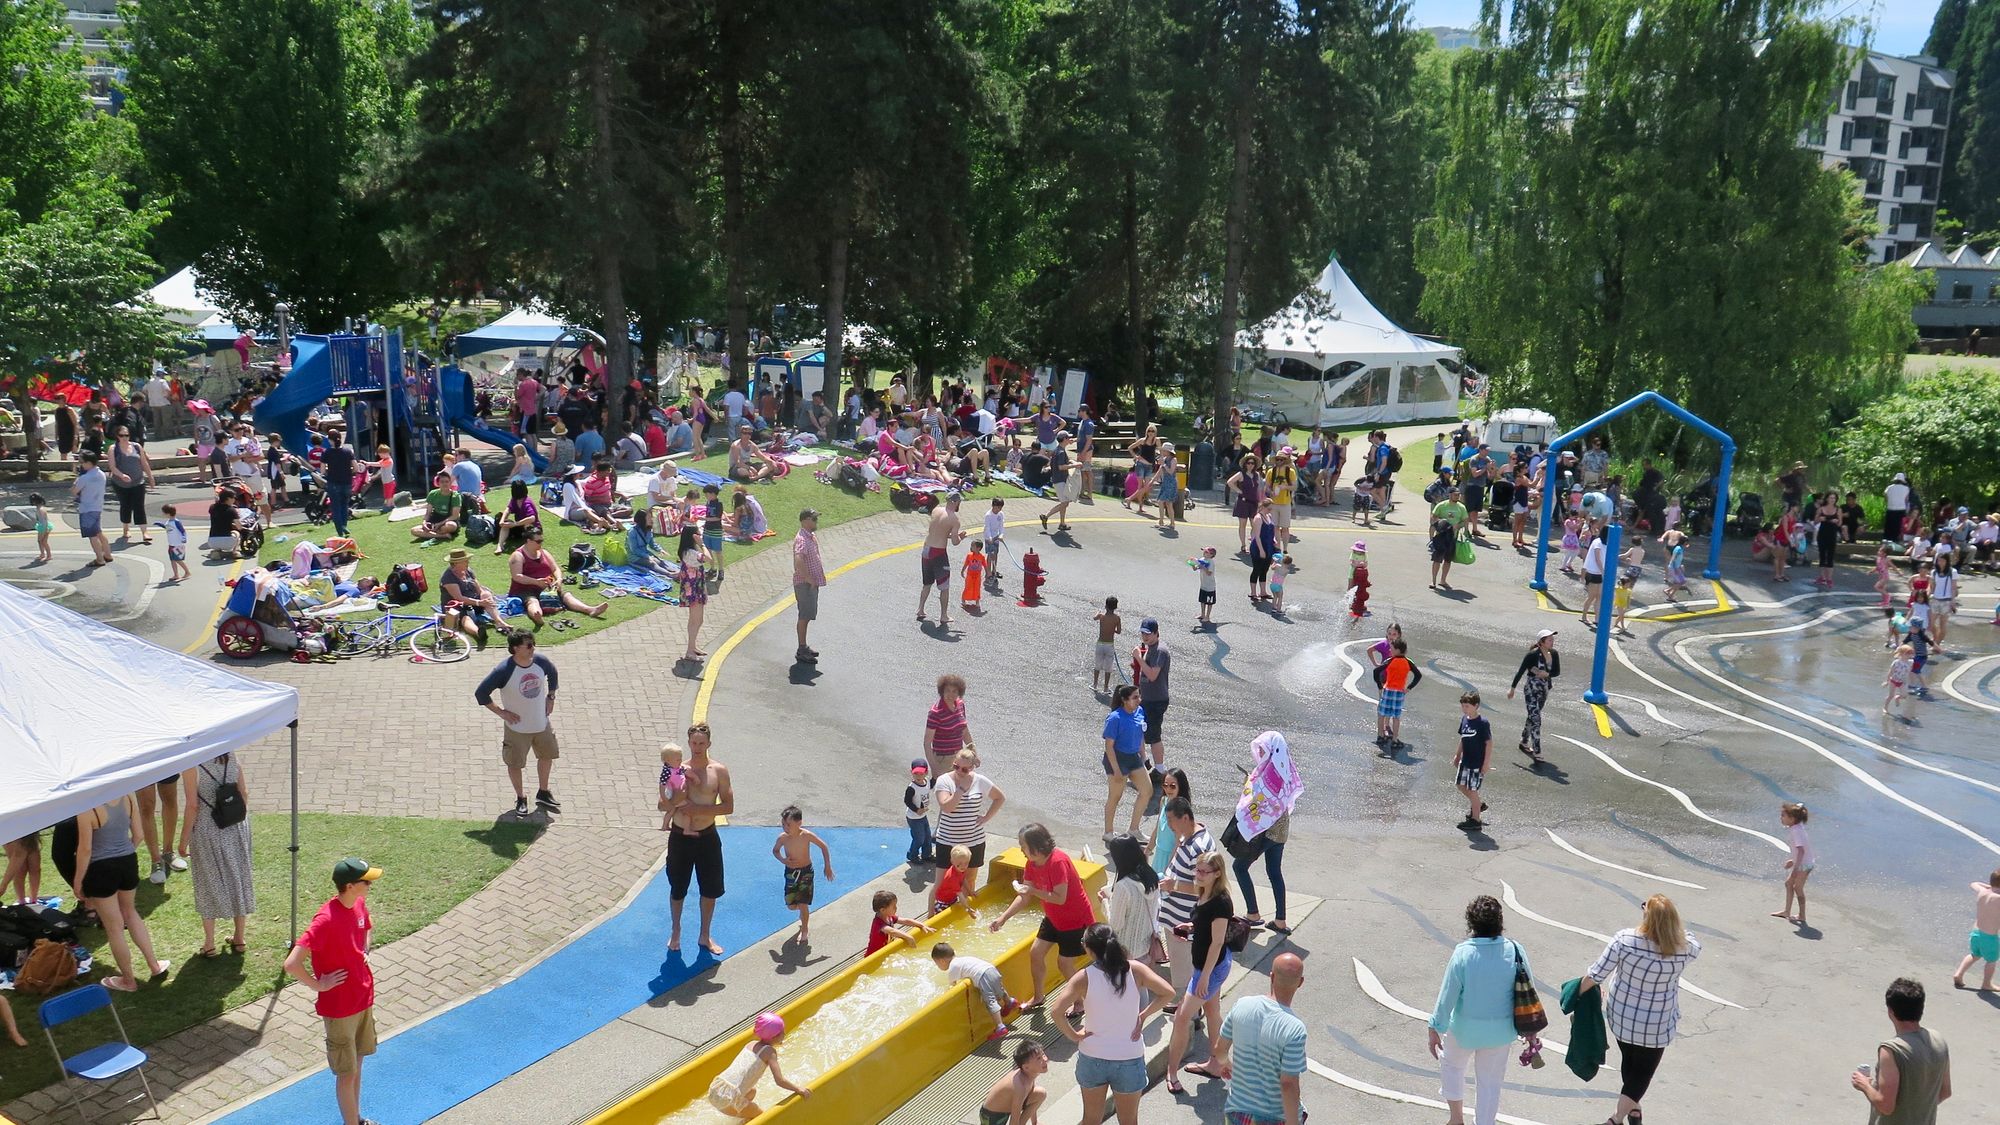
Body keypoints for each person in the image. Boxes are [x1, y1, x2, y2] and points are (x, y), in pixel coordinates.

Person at [1577, 894, 1701, 1125]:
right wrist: (1670, 925)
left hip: (1622, 1017)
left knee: (1630, 1063)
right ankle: (1618, 1118)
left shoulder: (1624, 940)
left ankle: (1627, 1113)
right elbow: (1692, 939)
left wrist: (1576, 997)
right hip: (1657, 1023)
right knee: (1642, 1073)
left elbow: (1595, 975)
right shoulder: (1684, 948)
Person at [285, 858, 380, 1125]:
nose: (370, 885)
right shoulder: (325, 920)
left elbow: (366, 928)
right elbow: (292, 963)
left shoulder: (358, 904)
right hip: (340, 1009)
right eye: (366, 881)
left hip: (362, 998)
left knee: (357, 1066)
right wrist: (319, 985)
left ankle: (356, 1119)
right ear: (350, 886)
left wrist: (364, 949)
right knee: (346, 1074)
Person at [1050, 924, 1175, 1125]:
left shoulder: (1084, 977)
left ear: (1089, 949)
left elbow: (1056, 1012)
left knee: (1090, 1119)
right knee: (1128, 1121)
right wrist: (1143, 1016)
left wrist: (1074, 1036)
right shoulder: (1135, 970)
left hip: (1092, 1056)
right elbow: (1168, 993)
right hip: (1128, 1056)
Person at [1427, 896, 1524, 1125]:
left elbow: (1447, 996)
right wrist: (1530, 1030)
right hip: (1501, 1032)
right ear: (1500, 921)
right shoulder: (1515, 950)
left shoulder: (1463, 953)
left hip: (1464, 1030)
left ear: (1471, 923)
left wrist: (1435, 1027)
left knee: (1452, 1066)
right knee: (1490, 1083)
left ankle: (1456, 1119)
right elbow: (1526, 991)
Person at [66, 794, 171, 991]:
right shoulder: (127, 797)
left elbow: (85, 849)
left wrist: (78, 881)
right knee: (131, 913)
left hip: (100, 869)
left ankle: (128, 980)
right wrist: (122, 854)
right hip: (127, 862)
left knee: (114, 928)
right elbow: (138, 835)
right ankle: (154, 965)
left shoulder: (86, 807)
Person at [989, 824, 1096, 1008]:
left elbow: (1060, 898)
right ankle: (1039, 997)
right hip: (1053, 917)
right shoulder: (1031, 863)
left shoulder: (1057, 862)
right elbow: (1024, 896)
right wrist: (1003, 918)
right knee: (1036, 953)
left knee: (1064, 964)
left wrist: (1033, 890)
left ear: (1036, 847)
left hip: (1075, 920)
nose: (1021, 850)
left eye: (1023, 846)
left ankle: (1080, 1002)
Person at [1163, 848, 1234, 1093]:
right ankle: (1218, 1063)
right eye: (1197, 870)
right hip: (1208, 966)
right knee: (1213, 1012)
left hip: (1210, 969)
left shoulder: (1221, 902)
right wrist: (1191, 927)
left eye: (1204, 872)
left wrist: (1203, 977)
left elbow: (1217, 942)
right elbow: (1205, 923)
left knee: (1181, 1018)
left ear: (1217, 873)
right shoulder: (1205, 892)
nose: (1198, 875)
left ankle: (1172, 1072)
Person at [1212, 951, 1309, 1125]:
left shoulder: (1242, 1005)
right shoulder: (1295, 1029)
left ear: (1271, 977)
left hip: (1237, 1113)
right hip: (1274, 1117)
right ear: (1300, 982)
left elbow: (1220, 1049)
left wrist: (1226, 1064)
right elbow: (1288, 1084)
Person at [474, 630, 562, 815]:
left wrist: (551, 696)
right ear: (515, 648)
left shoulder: (541, 661)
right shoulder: (503, 670)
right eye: (528, 645)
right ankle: (521, 797)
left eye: (533, 643)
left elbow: (553, 672)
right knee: (515, 764)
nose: (533, 648)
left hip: (541, 724)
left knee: (547, 756)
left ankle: (543, 792)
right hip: (517, 729)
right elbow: (481, 693)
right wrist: (501, 712)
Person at [668, 722, 733, 956]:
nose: (697, 747)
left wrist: (698, 809)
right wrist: (673, 800)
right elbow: (663, 803)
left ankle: (705, 935)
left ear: (709, 744)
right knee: (678, 888)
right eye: (693, 743)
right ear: (688, 743)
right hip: (680, 836)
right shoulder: (678, 770)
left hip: (707, 837)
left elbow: (728, 806)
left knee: (710, 889)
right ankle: (676, 930)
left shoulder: (719, 771)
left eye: (701, 743)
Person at [180, 754, 254, 957]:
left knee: (207, 882)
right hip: (236, 826)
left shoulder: (191, 765)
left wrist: (183, 840)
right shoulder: (231, 756)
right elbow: (243, 793)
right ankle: (239, 937)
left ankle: (209, 943)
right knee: (239, 878)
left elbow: (192, 805)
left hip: (208, 829)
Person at [1851, 978, 1951, 1123]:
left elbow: (1886, 1106)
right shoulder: (1938, 1039)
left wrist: (1864, 1085)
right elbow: (1945, 1092)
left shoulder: (1891, 1050)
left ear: (1890, 1011)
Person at [707, 1012, 811, 1118]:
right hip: (729, 1098)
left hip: (717, 1088)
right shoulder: (770, 1052)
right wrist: (798, 1089)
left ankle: (745, 1117)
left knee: (752, 1092)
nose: (784, 1034)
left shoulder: (751, 1044)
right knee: (763, 1118)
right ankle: (749, 1115)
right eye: (782, 1032)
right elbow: (780, 1081)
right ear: (773, 1036)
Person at [508, 532, 605, 628]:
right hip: (525, 588)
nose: (541, 543)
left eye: (542, 540)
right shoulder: (518, 555)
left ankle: (590, 610)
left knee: (567, 596)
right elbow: (517, 576)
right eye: (538, 541)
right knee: (532, 601)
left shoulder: (544, 552)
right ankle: (537, 616)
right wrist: (536, 582)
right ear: (528, 541)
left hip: (546, 586)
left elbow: (555, 569)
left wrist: (558, 579)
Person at [935, 747, 1003, 877]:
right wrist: (961, 789)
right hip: (947, 841)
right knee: (943, 881)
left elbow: (999, 798)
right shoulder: (944, 780)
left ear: (972, 768)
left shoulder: (980, 781)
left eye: (964, 769)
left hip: (973, 841)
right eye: (956, 766)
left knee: (969, 881)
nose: (959, 771)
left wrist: (986, 817)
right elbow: (947, 807)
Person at [933, 942, 1023, 1040]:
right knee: (1000, 990)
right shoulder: (963, 959)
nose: (938, 966)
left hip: (983, 976)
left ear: (942, 961)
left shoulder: (952, 968)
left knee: (990, 1001)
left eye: (937, 964)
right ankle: (1009, 1002)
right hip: (991, 969)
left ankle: (1000, 1027)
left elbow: (952, 988)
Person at [772, 805, 834, 944]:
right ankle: (802, 912)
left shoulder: (806, 835)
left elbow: (823, 846)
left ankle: (804, 929)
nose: (785, 827)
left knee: (803, 903)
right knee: (791, 905)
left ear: (799, 823)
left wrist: (827, 866)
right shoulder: (782, 838)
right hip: (791, 873)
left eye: (788, 824)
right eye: (783, 824)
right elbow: (775, 851)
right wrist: (783, 860)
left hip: (806, 872)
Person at [1101, 685, 1152, 837]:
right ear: (1124, 700)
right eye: (1135, 697)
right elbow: (1109, 746)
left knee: (1147, 791)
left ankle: (1134, 829)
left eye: (1139, 696)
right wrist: (1116, 769)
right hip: (1117, 759)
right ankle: (1108, 832)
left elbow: (1140, 735)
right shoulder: (1115, 718)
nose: (1139, 700)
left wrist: (1143, 756)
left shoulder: (1140, 711)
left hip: (1133, 758)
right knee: (1115, 797)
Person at [1507, 629, 1561, 763]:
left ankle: (1524, 741)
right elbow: (1520, 671)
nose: (1552, 641)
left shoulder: (1554, 654)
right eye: (1549, 639)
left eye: (1552, 639)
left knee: (1532, 717)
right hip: (1531, 690)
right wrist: (1512, 689)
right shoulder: (1532, 655)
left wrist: (1547, 674)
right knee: (1536, 719)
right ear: (1541, 642)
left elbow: (1557, 671)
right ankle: (1537, 751)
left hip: (1544, 690)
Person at [918, 492, 967, 625]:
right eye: (959, 502)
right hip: (938, 553)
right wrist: (961, 537)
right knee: (944, 586)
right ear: (954, 502)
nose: (959, 504)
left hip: (927, 549)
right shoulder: (954, 519)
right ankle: (944, 615)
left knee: (927, 583)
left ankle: (920, 609)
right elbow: (955, 542)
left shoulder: (936, 510)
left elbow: (938, 531)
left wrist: (950, 535)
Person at [979, 1041, 1049, 1125]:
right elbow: (1014, 1118)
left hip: (1007, 1107)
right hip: (992, 1116)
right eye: (1038, 1058)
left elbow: (1030, 1095)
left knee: (1040, 1094)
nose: (1045, 1059)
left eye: (1043, 1054)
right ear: (1026, 1067)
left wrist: (1035, 1122)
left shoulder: (1030, 1074)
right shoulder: (1020, 1086)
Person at [107, 425, 156, 544]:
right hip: (120, 483)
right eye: (122, 435)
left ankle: (144, 532)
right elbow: (112, 467)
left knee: (139, 506)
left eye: (127, 435)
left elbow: (144, 463)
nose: (125, 438)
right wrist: (122, 475)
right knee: (126, 505)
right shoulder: (113, 449)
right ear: (117, 436)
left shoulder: (136, 447)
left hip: (138, 481)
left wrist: (150, 477)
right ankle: (126, 528)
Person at [1952, 869, 2000, 990]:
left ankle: (1959, 974)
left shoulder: (1983, 891)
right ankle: (1986, 983)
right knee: (1991, 961)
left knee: (1974, 954)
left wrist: (1988, 886)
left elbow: (1974, 883)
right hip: (1990, 937)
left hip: (1976, 932)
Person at [1771, 802, 1814, 928]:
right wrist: (1792, 860)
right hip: (1803, 862)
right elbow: (1799, 850)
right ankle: (1787, 911)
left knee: (1797, 888)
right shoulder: (1797, 827)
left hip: (1804, 864)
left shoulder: (1796, 831)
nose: (1781, 818)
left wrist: (1795, 868)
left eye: (1783, 815)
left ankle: (1802, 915)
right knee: (1789, 884)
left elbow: (1801, 851)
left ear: (1792, 819)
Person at [1134, 619, 1171, 765]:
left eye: (1148, 634)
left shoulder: (1160, 651)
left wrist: (1139, 658)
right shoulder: (1151, 647)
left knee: (1154, 736)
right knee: (1138, 728)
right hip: (1147, 698)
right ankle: (1144, 760)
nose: (1145, 636)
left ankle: (1160, 768)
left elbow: (1152, 675)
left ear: (1156, 633)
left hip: (1156, 700)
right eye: (1143, 633)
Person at [792, 508, 826, 663]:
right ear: (805, 520)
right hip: (804, 584)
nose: (816, 522)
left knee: (807, 615)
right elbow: (798, 560)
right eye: (814, 519)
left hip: (810, 584)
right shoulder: (802, 540)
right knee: (804, 616)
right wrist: (808, 578)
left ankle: (804, 646)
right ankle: (801, 649)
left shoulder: (810, 536)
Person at [676, 523, 712, 663]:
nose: (700, 535)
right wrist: (702, 544)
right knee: (696, 620)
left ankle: (693, 646)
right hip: (693, 589)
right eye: (698, 534)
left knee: (696, 620)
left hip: (694, 588)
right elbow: (708, 559)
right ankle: (690, 651)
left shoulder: (687, 551)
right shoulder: (691, 553)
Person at [72, 450, 113, 566]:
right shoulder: (101, 474)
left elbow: (75, 491)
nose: (81, 465)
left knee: (92, 535)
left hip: (86, 508)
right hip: (97, 506)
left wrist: (77, 478)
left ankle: (100, 559)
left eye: (82, 462)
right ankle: (108, 554)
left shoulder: (85, 478)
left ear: (89, 463)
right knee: (98, 532)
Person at [867, 889, 936, 953]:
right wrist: (909, 937)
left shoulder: (889, 917)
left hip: (885, 951)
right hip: (872, 956)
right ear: (883, 910)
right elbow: (892, 931)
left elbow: (906, 921)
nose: (896, 908)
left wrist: (922, 925)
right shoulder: (878, 923)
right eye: (893, 906)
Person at [1431, 487, 1468, 589]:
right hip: (1441, 536)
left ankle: (1443, 580)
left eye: (1458, 495)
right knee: (1437, 559)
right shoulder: (1442, 505)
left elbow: (1465, 520)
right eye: (1455, 495)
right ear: (1450, 495)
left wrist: (1459, 526)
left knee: (1448, 560)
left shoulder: (1461, 507)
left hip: (1452, 537)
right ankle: (1433, 581)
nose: (1457, 496)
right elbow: (1433, 517)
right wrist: (1440, 523)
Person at [495, 480, 543, 556]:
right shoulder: (514, 500)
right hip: (520, 527)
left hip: (533, 529)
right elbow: (508, 509)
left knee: (527, 524)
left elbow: (532, 518)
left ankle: (527, 542)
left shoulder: (527, 502)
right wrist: (502, 520)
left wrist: (515, 524)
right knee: (504, 523)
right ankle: (500, 546)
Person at [412, 471, 461, 541]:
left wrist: (440, 524)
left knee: (451, 526)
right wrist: (424, 523)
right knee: (414, 530)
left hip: (448, 520)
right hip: (435, 519)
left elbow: (455, 516)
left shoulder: (455, 496)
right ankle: (441, 535)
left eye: (447, 482)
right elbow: (428, 513)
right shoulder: (433, 494)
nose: (445, 484)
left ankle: (431, 533)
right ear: (438, 483)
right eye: (442, 482)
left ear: (450, 483)